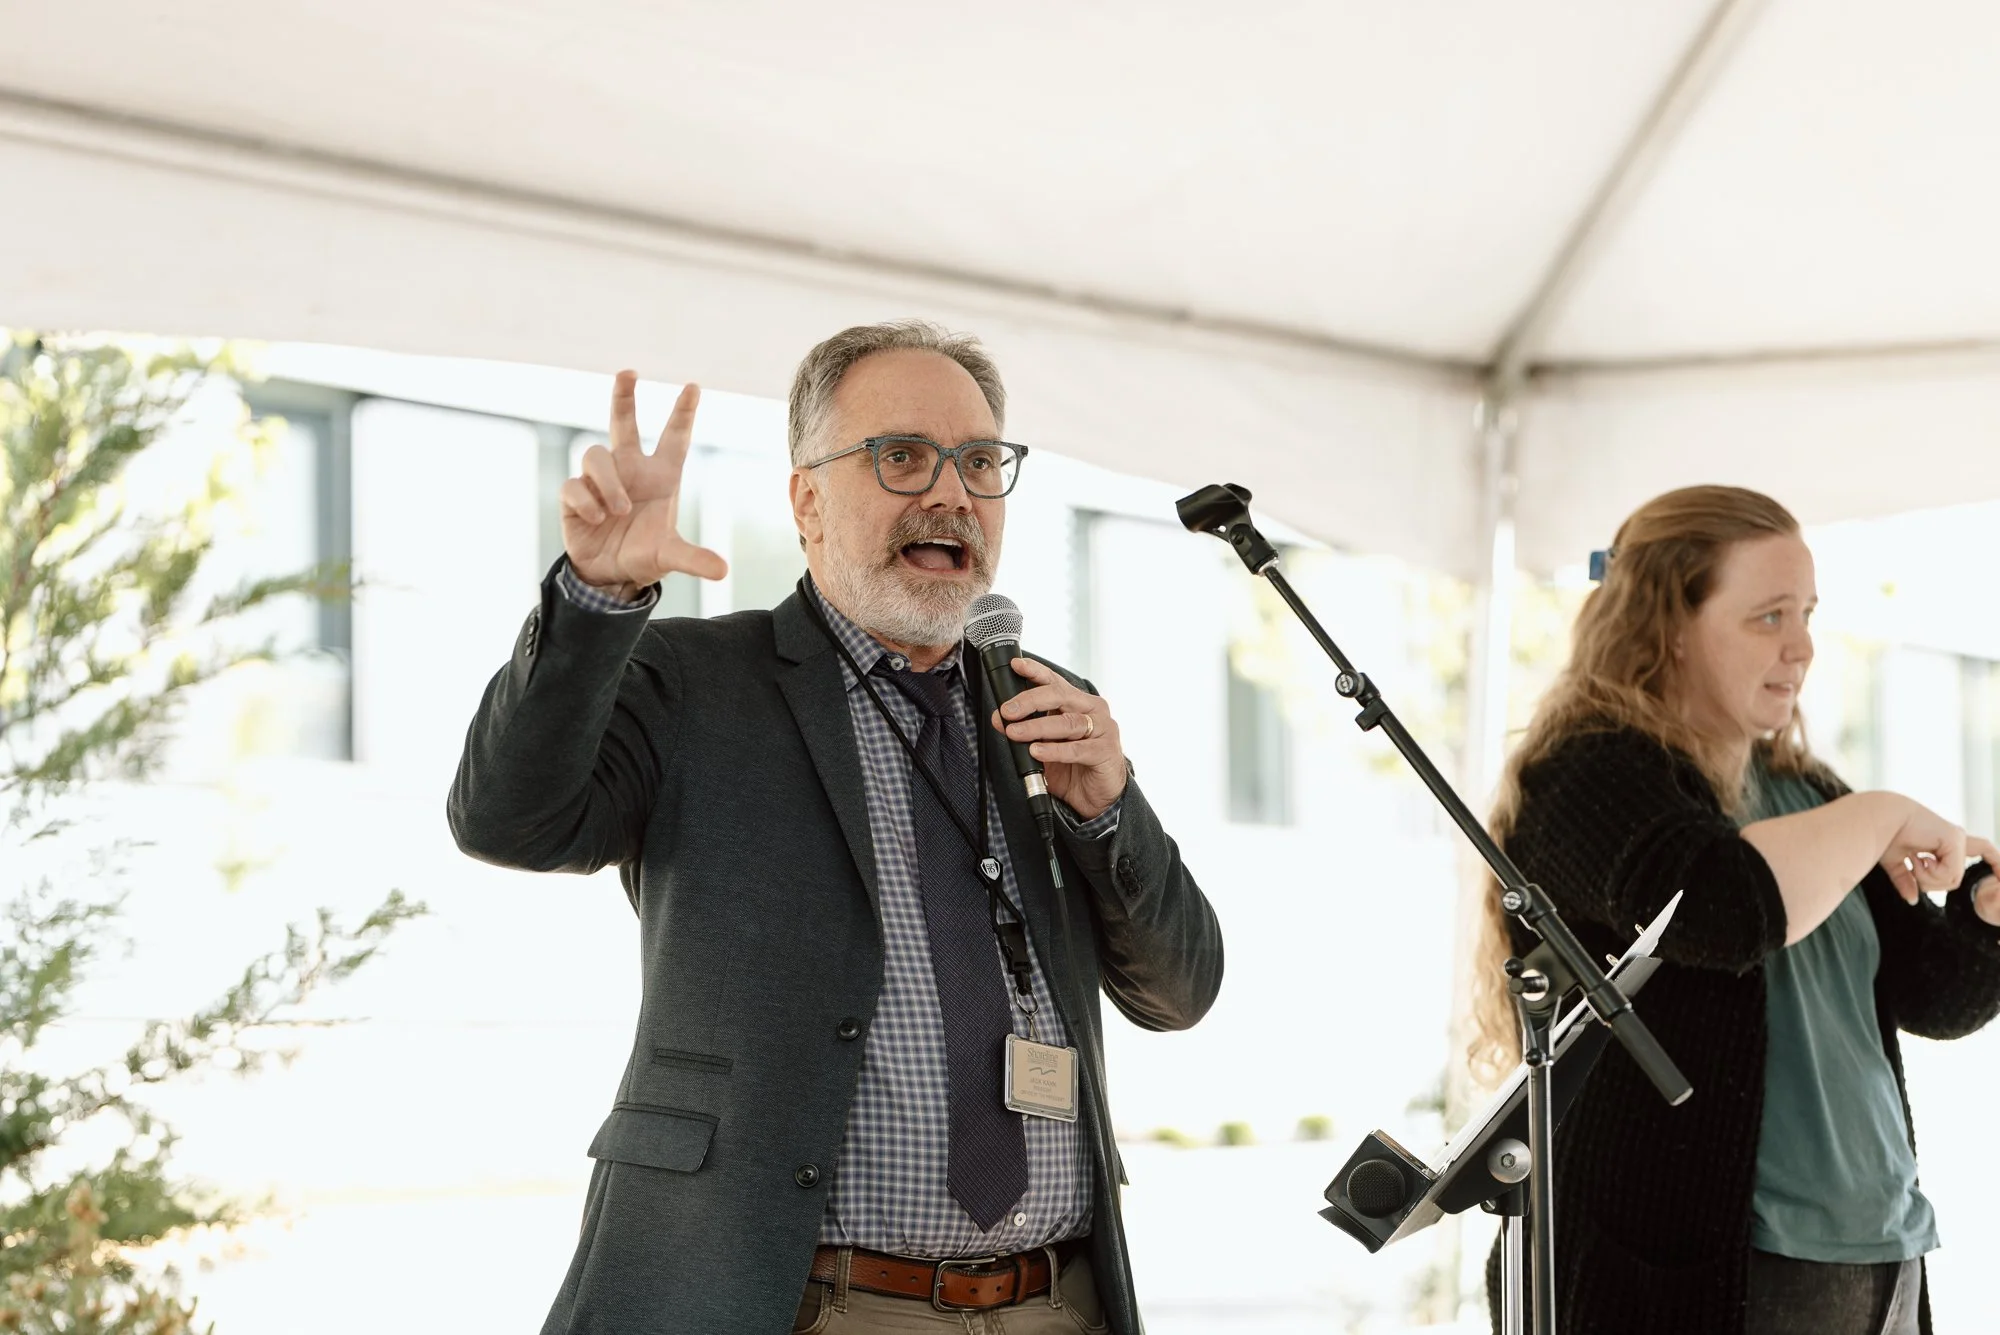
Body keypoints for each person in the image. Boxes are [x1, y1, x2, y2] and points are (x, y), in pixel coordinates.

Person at [449, 320, 1223, 1335]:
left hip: (1053, 1302)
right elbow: (510, 819)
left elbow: (1178, 991)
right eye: (900, 457)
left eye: (980, 462)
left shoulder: (1045, 707)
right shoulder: (695, 683)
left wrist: (1105, 811)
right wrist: (599, 598)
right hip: (805, 1304)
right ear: (806, 499)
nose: (949, 493)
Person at [1468, 485, 2000, 1335]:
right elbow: (1719, 908)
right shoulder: (1589, 776)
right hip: (1715, 1265)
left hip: (1881, 1251)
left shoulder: (1804, 790)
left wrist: (1986, 910)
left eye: (1808, 613)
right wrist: (1880, 813)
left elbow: (1935, 996)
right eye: (1768, 617)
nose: (1803, 646)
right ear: (1669, 625)